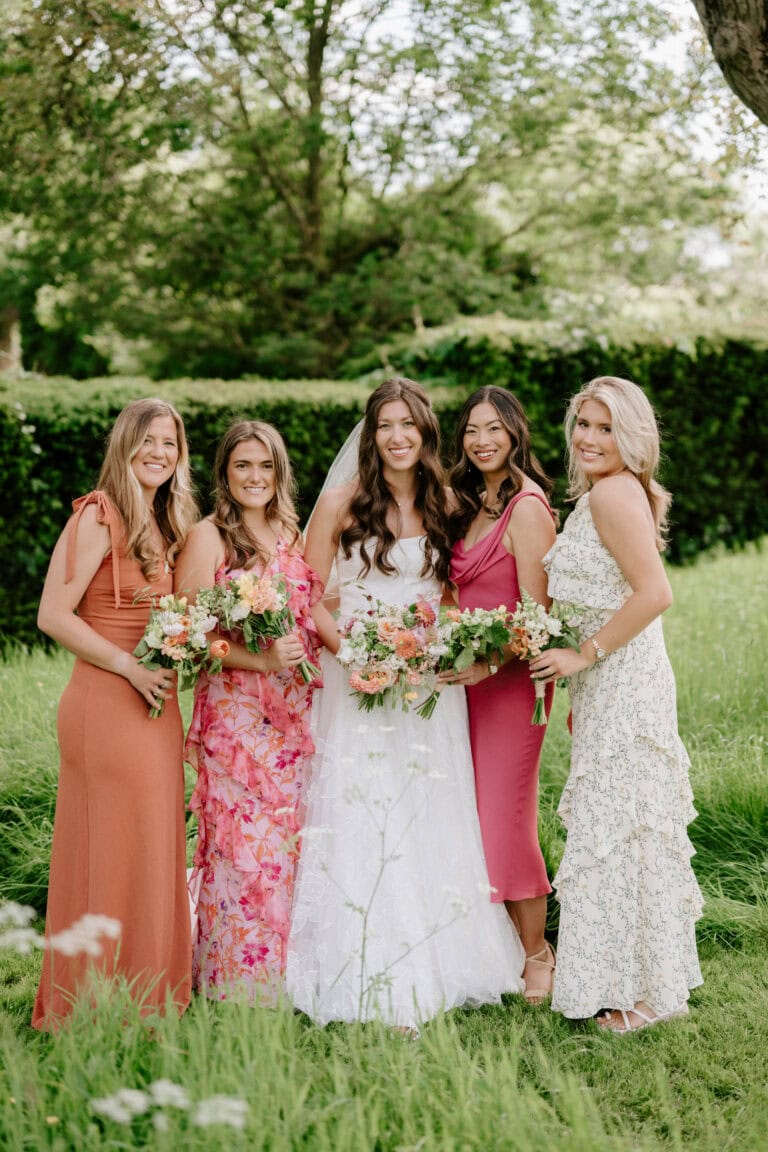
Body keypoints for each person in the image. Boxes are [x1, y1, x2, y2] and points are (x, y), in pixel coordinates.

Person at [286, 377, 525, 1032]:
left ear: (424, 433)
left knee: (425, 806)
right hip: (355, 677)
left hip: (423, 683)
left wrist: (437, 649)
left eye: (409, 425)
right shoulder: (339, 502)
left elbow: (449, 595)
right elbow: (305, 597)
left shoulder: (444, 500)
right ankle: (364, 969)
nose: (397, 436)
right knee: (365, 806)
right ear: (372, 432)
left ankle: (443, 958)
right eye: (385, 424)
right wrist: (352, 655)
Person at [531, 376, 703, 1033]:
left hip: (626, 680)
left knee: (626, 831)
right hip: (609, 688)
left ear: (631, 436)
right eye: (583, 424)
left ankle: (645, 995)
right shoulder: (604, 494)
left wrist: (586, 654)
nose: (589, 438)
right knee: (620, 829)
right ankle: (632, 981)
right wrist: (584, 683)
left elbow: (655, 592)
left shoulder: (612, 494)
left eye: (606, 427)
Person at [32, 398, 198, 1030]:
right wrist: (128, 667)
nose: (159, 453)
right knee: (113, 849)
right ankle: (97, 998)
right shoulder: (99, 515)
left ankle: (145, 990)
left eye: (170, 444)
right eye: (148, 441)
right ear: (125, 444)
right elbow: (52, 616)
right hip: (107, 702)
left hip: (157, 703)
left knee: (151, 845)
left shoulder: (165, 521)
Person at [175, 420, 321, 1004]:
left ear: (280, 472)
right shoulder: (210, 537)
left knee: (287, 842)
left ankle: (287, 975)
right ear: (225, 474)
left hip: (292, 717)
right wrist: (256, 660)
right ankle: (233, 981)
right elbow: (186, 636)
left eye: (265, 466)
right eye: (242, 466)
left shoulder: (289, 533)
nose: (254, 477)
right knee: (241, 845)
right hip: (235, 720)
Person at [445, 386, 557, 1004]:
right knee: (468, 815)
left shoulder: (528, 509)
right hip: (465, 681)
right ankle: (504, 944)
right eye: (470, 431)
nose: (482, 441)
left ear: (515, 432)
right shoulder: (466, 502)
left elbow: (537, 616)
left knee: (504, 821)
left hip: (513, 687)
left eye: (494, 429)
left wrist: (487, 665)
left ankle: (539, 952)